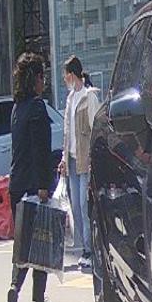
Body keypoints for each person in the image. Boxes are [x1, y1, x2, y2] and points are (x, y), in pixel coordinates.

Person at [6, 52, 56, 302]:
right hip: (34, 186)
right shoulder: (37, 108)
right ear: (36, 78)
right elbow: (41, 151)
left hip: (16, 185)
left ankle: (15, 287)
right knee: (40, 245)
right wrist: (44, 186)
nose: (43, 83)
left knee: (22, 243)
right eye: (42, 77)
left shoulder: (17, 108)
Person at [57, 56, 100, 272]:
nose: (65, 80)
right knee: (75, 205)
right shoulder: (70, 99)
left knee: (84, 204)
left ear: (73, 75)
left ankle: (90, 249)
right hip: (72, 160)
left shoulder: (88, 97)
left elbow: (95, 129)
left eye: (66, 76)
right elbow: (67, 132)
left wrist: (93, 158)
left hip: (86, 160)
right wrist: (64, 159)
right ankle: (85, 248)